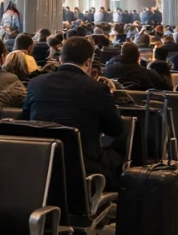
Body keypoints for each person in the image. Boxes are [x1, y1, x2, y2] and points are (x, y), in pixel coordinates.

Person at [23, 36, 124, 190]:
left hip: (39, 166)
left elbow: (25, 119)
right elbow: (116, 129)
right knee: (117, 159)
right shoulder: (97, 89)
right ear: (89, 62)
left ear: (60, 60)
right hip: (84, 171)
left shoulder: (36, 84)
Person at [104, 41, 169, 91]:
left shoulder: (108, 70)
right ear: (138, 57)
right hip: (143, 106)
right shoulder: (146, 73)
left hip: (114, 104)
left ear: (121, 54)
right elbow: (166, 89)